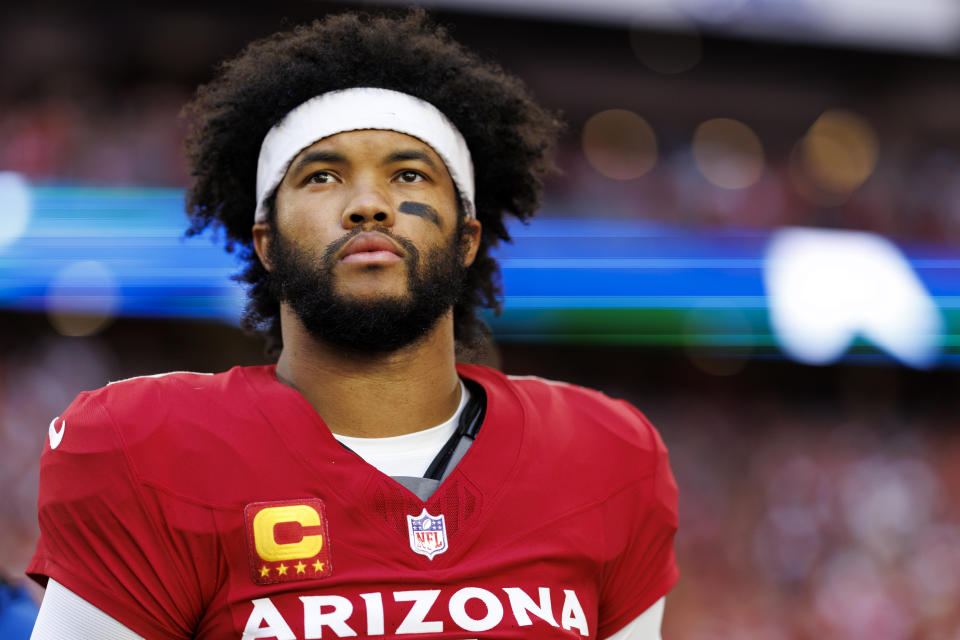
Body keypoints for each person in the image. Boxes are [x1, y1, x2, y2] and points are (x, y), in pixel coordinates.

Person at [28, 10, 678, 639]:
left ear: (469, 238)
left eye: (409, 174)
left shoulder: (607, 454)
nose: (369, 205)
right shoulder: (145, 448)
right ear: (266, 241)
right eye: (323, 176)